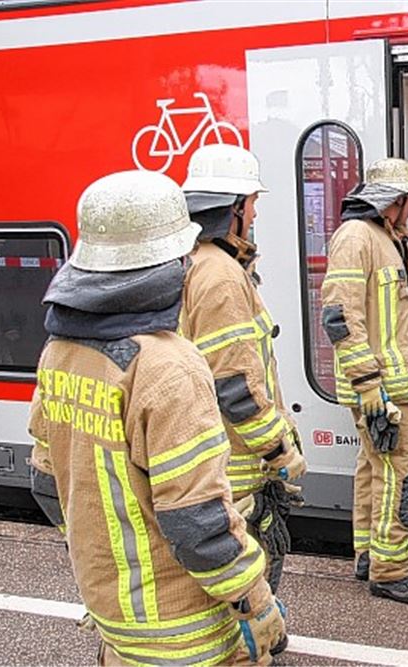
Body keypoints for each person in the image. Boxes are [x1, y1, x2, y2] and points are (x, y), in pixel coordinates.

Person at [28, 170, 286, 666]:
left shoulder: (59, 353)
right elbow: (197, 523)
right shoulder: (169, 366)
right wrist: (256, 600)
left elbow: (46, 484)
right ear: (170, 262)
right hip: (186, 632)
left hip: (115, 622)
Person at [177, 144, 307, 594]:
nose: (254, 213)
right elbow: (234, 386)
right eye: (252, 202)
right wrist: (280, 451)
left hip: (210, 460)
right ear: (232, 207)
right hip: (237, 470)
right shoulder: (221, 276)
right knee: (250, 584)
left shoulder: (191, 263)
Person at [321, 157, 408, 604]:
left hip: (393, 382)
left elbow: (404, 322)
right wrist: (369, 386)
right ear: (394, 201)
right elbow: (342, 318)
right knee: (403, 470)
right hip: (378, 387)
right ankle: (390, 570)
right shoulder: (358, 239)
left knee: (374, 466)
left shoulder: (390, 240)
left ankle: (368, 553)